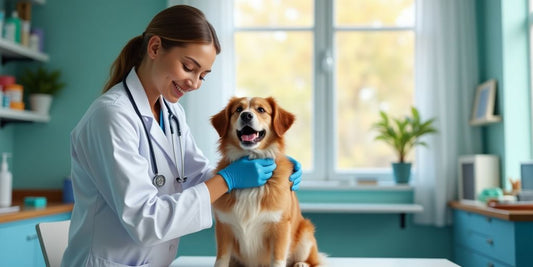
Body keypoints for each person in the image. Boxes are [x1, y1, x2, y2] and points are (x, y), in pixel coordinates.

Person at [61, 5, 302, 267]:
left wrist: (267, 169)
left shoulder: (172, 113)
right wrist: (229, 178)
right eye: (189, 67)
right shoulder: (111, 116)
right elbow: (145, 221)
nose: (195, 83)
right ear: (154, 48)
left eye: (203, 76)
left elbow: (197, 176)